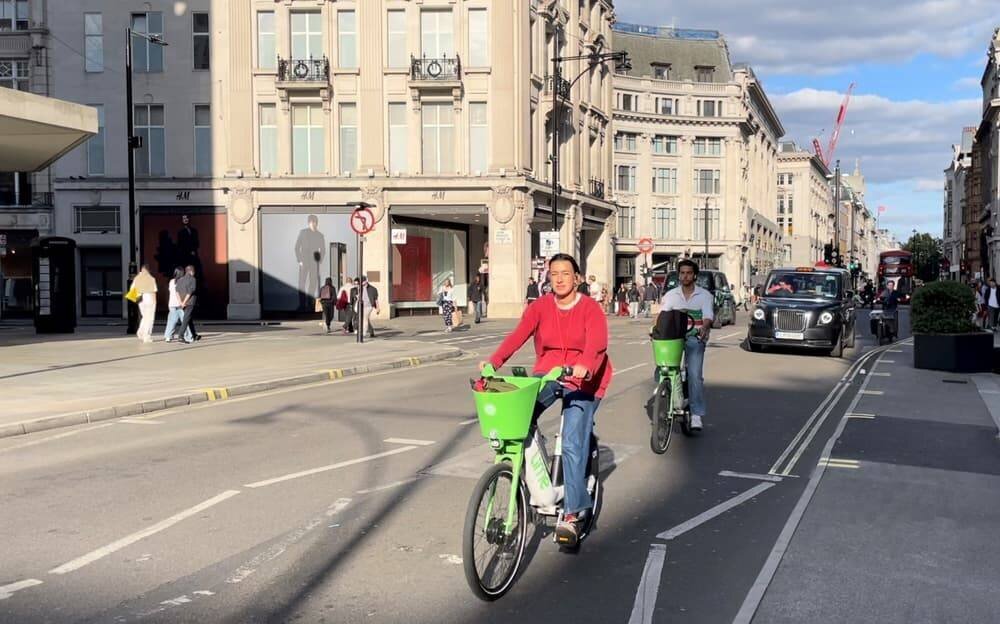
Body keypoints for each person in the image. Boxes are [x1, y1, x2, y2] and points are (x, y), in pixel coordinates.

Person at [481, 253, 612, 545]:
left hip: (585, 378)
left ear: (577, 278)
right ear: (548, 277)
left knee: (573, 440)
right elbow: (518, 335)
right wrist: (494, 362)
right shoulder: (540, 306)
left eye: (566, 273)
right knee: (518, 418)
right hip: (549, 373)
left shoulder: (590, 308)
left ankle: (572, 512)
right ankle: (535, 478)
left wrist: (585, 365)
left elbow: (597, 345)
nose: (560, 278)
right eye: (554, 273)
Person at [659, 259, 714, 432]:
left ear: (694, 275)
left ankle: (696, 414)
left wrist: (704, 327)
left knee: (695, 375)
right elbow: (663, 316)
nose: (685, 276)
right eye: (682, 273)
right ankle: (669, 395)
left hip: (694, 337)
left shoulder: (705, 295)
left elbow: (707, 317)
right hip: (674, 338)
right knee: (663, 367)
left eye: (689, 273)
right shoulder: (671, 295)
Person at [295, 214, 326, 312]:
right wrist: (299, 260)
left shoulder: (320, 235)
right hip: (304, 262)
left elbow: (323, 250)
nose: (313, 224)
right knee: (302, 284)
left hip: (314, 262)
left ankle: (309, 305)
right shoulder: (303, 232)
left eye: (315, 223)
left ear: (317, 224)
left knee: (313, 283)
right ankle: (302, 305)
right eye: (312, 222)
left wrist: (319, 261)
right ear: (308, 223)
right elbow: (296, 247)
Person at [164, 267, 192, 343]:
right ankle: (188, 336)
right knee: (185, 321)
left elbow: (171, 291)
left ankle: (168, 337)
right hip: (180, 304)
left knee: (171, 321)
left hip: (172, 304)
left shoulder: (171, 281)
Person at [173, 265, 198, 345]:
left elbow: (176, 291)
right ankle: (180, 336)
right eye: (194, 271)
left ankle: (194, 335)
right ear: (191, 271)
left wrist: (180, 302)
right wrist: (184, 302)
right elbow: (190, 292)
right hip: (190, 302)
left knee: (188, 318)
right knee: (186, 319)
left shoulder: (180, 280)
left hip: (182, 302)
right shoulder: (193, 279)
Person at [133, 264, 158, 343]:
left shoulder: (137, 278)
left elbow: (133, 290)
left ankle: (140, 332)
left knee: (145, 317)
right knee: (149, 318)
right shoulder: (150, 278)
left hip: (140, 300)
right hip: (149, 300)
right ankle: (146, 336)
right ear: (148, 270)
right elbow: (153, 291)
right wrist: (155, 302)